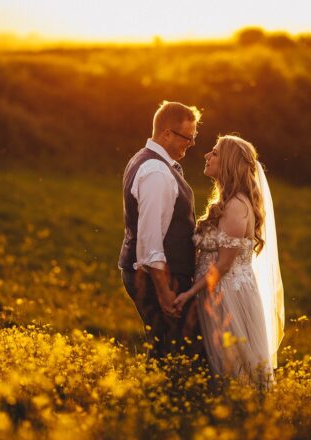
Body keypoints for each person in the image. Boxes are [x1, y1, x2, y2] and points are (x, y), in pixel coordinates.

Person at [173, 135, 284, 385]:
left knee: (235, 369)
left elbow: (223, 265)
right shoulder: (226, 202)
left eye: (214, 153)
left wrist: (189, 293)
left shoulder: (236, 206)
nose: (206, 156)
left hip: (229, 296)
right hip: (216, 292)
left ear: (229, 163)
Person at [118, 101, 204, 359]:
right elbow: (151, 237)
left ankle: (162, 395)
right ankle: (162, 396)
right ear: (167, 133)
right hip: (159, 277)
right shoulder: (156, 170)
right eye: (187, 138)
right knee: (171, 351)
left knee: (166, 349)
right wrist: (164, 290)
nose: (190, 144)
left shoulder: (149, 161)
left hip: (156, 275)